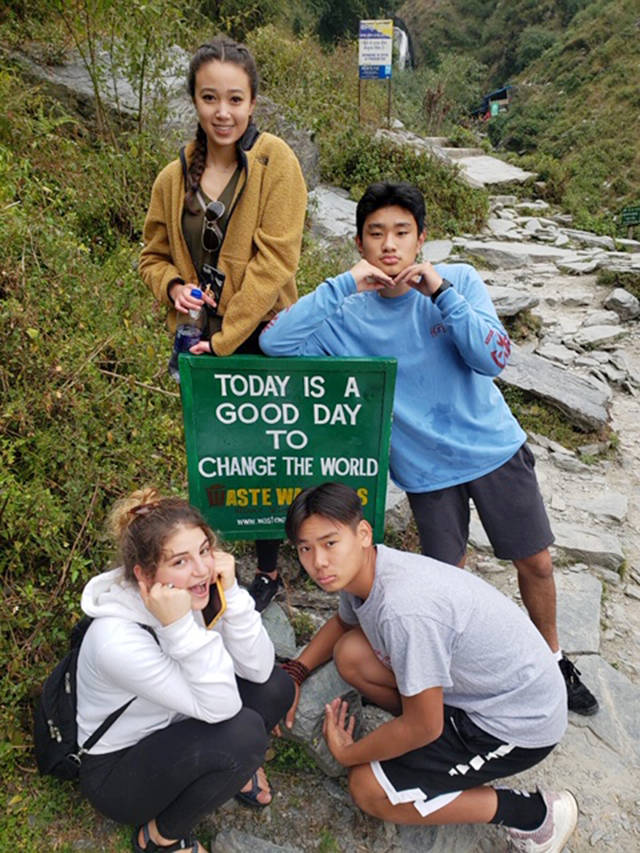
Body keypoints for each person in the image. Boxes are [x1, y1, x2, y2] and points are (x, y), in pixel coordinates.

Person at [259, 180, 597, 715]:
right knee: (447, 579)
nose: (389, 245)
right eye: (376, 234)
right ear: (359, 244)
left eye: (401, 232)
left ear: (421, 239)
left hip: (492, 448)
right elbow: (276, 344)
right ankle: (460, 677)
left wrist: (440, 293)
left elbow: (493, 358)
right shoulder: (345, 313)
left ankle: (553, 660)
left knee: (534, 561)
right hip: (423, 470)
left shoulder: (458, 282)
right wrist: (344, 284)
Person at [282, 482, 578, 851]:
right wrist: (296, 671)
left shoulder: (405, 609)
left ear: (363, 534)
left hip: (518, 722)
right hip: (479, 690)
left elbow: (424, 725)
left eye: (330, 543)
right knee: (351, 654)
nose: (319, 562)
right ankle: (433, 752)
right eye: (305, 549)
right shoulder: (368, 569)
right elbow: (344, 624)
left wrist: (347, 753)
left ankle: (536, 816)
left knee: (368, 789)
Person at [140, 36, 308, 612]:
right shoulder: (173, 178)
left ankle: (269, 570)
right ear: (194, 100)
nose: (223, 112)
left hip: (261, 335)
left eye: (235, 99)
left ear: (253, 102)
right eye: (210, 97)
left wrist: (225, 338)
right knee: (213, 450)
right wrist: (172, 286)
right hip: (198, 339)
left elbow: (275, 261)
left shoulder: (276, 163)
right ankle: (208, 567)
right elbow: (152, 255)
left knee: (264, 453)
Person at [76, 488, 294, 853]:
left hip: (176, 717)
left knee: (275, 687)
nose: (202, 570)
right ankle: (159, 837)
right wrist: (178, 628)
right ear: (144, 575)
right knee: (244, 737)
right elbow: (223, 707)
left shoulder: (190, 591)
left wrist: (233, 594)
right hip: (119, 772)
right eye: (180, 561)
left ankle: (231, 769)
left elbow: (257, 669)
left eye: (205, 550)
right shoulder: (116, 641)